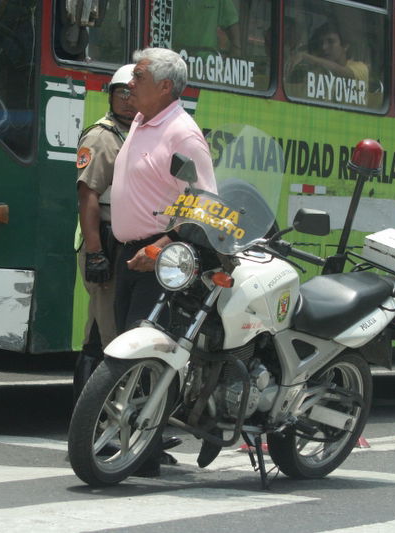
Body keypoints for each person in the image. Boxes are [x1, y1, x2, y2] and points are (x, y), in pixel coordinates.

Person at [110, 47, 217, 475]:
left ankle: (146, 449)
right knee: (125, 349)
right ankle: (137, 442)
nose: (128, 84)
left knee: (149, 352)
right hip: (129, 254)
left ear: (165, 87)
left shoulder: (181, 133)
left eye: (137, 77)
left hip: (162, 256)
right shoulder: (140, 120)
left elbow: (205, 204)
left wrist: (161, 245)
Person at [73, 64, 137, 402]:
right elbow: (89, 198)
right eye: (120, 93)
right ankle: (99, 424)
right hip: (107, 240)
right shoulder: (102, 136)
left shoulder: (139, 132)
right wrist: (97, 253)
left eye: (133, 93)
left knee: (101, 331)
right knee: (112, 337)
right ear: (110, 95)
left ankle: (98, 426)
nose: (127, 100)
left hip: (130, 240)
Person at [287, 21, 368, 84]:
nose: (323, 47)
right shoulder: (319, 72)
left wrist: (305, 57)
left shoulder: (360, 68)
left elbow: (343, 72)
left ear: (345, 45)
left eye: (331, 41)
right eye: (321, 43)